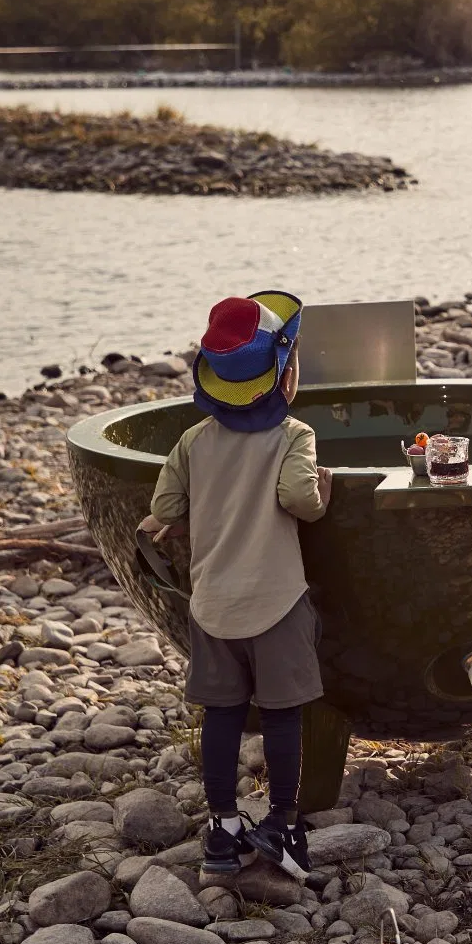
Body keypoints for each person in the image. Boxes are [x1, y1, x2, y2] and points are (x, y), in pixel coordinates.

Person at [140, 290, 331, 880]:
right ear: (285, 376)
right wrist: (323, 492)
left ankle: (222, 827)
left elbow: (165, 508)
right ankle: (283, 822)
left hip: (212, 606)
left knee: (221, 716)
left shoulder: (194, 441)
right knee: (282, 716)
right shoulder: (294, 436)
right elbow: (299, 498)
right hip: (277, 603)